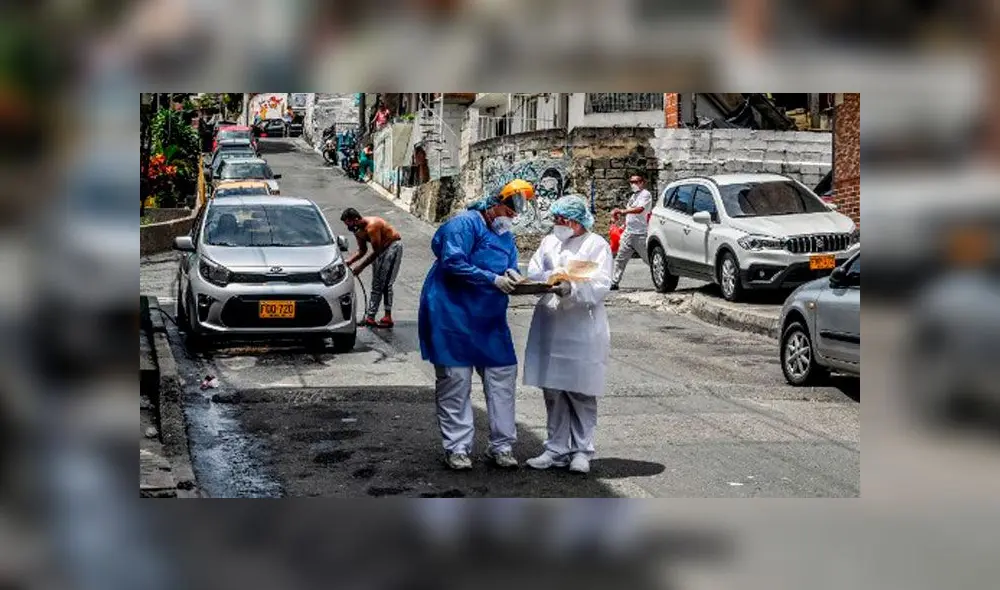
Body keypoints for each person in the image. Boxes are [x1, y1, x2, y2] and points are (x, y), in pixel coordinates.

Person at [418, 179, 535, 470]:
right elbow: (453, 262)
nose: (513, 215)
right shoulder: (465, 224)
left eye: (517, 210)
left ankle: (502, 446)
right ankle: (457, 448)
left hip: (489, 319)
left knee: (502, 376)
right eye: (510, 208)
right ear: (494, 203)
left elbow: (510, 264)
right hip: (451, 313)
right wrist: (492, 279)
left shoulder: (505, 236)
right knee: (455, 381)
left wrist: (513, 275)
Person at [522, 195, 613, 474]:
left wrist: (572, 288)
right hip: (551, 319)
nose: (558, 224)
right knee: (553, 389)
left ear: (577, 220)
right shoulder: (550, 241)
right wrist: (550, 276)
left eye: (564, 220)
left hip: (581, 323)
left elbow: (601, 283)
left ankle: (582, 451)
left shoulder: (596, 245)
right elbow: (535, 269)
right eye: (556, 220)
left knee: (580, 389)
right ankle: (556, 448)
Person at [341, 208, 403, 328]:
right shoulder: (357, 230)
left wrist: (361, 267)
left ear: (356, 219)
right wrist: (350, 261)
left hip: (392, 246)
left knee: (386, 283)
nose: (349, 227)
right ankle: (370, 317)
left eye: (350, 223)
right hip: (380, 250)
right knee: (376, 284)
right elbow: (362, 250)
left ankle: (387, 316)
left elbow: (377, 252)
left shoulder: (372, 226)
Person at [609, 173, 653, 290]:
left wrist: (622, 211)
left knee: (648, 259)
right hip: (629, 233)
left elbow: (640, 210)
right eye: (631, 182)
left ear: (642, 183)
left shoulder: (645, 194)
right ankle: (614, 282)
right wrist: (624, 225)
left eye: (636, 182)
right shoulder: (633, 196)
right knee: (620, 258)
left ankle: (663, 277)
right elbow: (632, 214)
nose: (633, 184)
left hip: (640, 234)